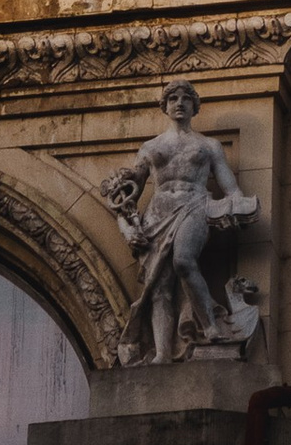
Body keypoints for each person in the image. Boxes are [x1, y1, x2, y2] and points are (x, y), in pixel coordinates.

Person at [105, 81, 261, 362]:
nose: (179, 103)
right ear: (164, 106)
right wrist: (128, 230)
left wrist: (237, 207)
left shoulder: (208, 146)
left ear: (194, 106)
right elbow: (125, 200)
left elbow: (230, 186)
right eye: (173, 98)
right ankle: (162, 354)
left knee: (184, 261)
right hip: (156, 215)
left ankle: (211, 326)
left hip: (194, 205)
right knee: (159, 288)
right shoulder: (150, 147)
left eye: (186, 98)